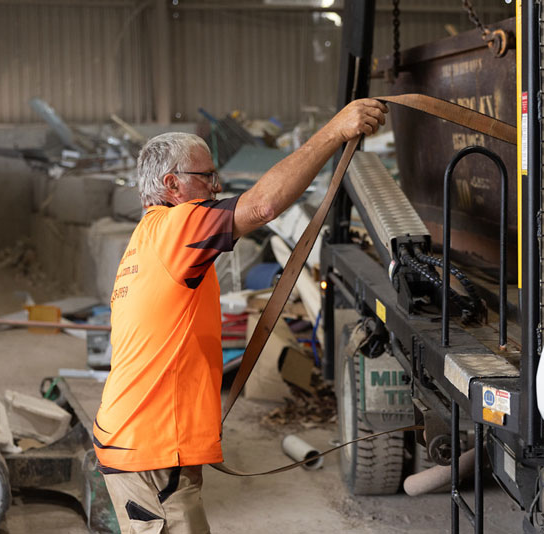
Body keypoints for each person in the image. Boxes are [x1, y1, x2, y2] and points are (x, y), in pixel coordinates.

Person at [93, 98, 388, 534]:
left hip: (137, 442)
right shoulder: (177, 228)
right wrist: (334, 131)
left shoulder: (148, 239)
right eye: (206, 176)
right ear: (172, 185)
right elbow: (263, 206)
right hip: (150, 452)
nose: (216, 186)